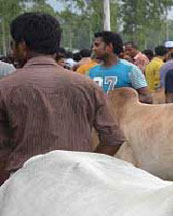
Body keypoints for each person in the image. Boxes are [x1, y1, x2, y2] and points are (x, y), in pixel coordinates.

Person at [0, 12, 125, 189]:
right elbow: (114, 139)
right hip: (78, 186)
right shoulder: (88, 85)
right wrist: (86, 164)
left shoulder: (5, 87)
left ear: (21, 46)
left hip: (25, 187)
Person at [88, 31, 152, 103]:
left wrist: (122, 102)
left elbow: (147, 97)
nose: (93, 49)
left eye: (97, 45)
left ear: (110, 46)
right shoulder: (92, 72)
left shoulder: (130, 70)